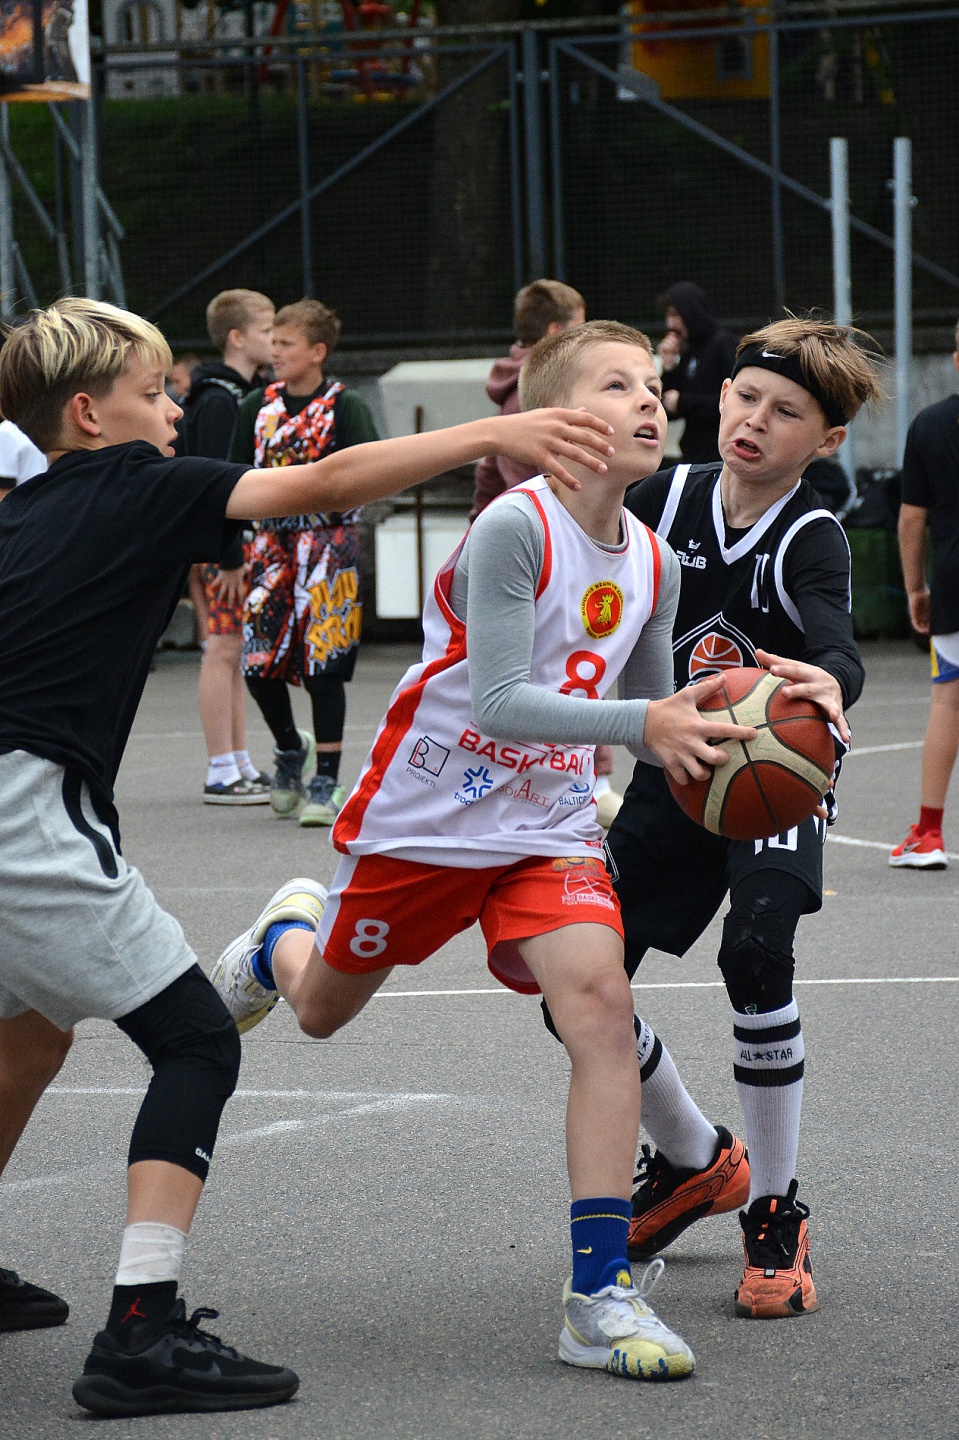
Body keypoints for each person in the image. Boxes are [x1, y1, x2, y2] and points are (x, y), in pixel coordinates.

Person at [0, 295, 612, 1416]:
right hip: (25, 810)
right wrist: (494, 432)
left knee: (28, 1034)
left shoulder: (23, 511)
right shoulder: (136, 484)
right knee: (196, 1039)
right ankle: (140, 1331)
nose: (175, 410)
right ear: (87, 414)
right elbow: (322, 484)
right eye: (154, 393)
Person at [212, 321, 758, 1384]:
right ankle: (282, 936)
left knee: (598, 1006)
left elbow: (653, 716)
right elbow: (504, 701)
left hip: (544, 827)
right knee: (320, 1011)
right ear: (558, 420)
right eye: (617, 385)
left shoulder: (652, 560)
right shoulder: (517, 526)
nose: (649, 401)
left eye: (653, 384)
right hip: (426, 814)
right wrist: (645, 723)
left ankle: (596, 1295)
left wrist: (742, 734)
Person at [602, 316, 882, 1320]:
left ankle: (774, 1207)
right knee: (575, 980)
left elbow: (834, 639)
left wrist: (832, 678)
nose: (756, 421)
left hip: (772, 778)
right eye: (747, 398)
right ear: (719, 397)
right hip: (674, 770)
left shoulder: (807, 532)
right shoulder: (660, 496)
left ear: (825, 440)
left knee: (755, 955)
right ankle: (692, 1158)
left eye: (786, 412)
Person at [470, 279, 623, 826]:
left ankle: (585, 782)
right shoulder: (531, 403)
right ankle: (588, 785)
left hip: (540, 557)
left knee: (574, 665)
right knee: (560, 669)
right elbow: (532, 492)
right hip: (529, 564)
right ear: (556, 332)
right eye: (581, 327)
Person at [228, 299, 380, 827]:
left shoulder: (345, 405)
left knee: (323, 665)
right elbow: (231, 477)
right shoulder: (255, 406)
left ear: (318, 351)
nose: (276, 352)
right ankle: (291, 749)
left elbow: (372, 472)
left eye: (286, 344)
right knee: (258, 662)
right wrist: (227, 552)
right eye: (273, 343)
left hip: (328, 546)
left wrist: (328, 498)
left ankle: (327, 780)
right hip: (269, 546)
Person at [178, 288, 276, 804]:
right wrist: (229, 555)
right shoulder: (219, 399)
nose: (275, 341)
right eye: (266, 331)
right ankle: (220, 767)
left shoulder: (242, 392)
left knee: (233, 650)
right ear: (236, 338)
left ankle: (238, 760)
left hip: (232, 545)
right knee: (221, 650)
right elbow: (219, 485)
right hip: (225, 548)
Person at [890, 322, 959, 870]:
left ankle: (930, 833)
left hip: (955, 584)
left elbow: (912, 519)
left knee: (948, 701)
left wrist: (916, 587)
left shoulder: (931, 425)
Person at [657, 282, 739, 464]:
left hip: (718, 458)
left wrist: (683, 402)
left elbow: (732, 404)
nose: (670, 324)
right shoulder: (691, 349)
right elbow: (667, 409)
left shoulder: (724, 345)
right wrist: (669, 368)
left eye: (675, 315)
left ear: (691, 312)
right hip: (694, 455)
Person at [0, 416, 46, 499]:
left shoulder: (7, 431)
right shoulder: (50, 426)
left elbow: (3, 491)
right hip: (40, 499)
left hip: (30, 501)